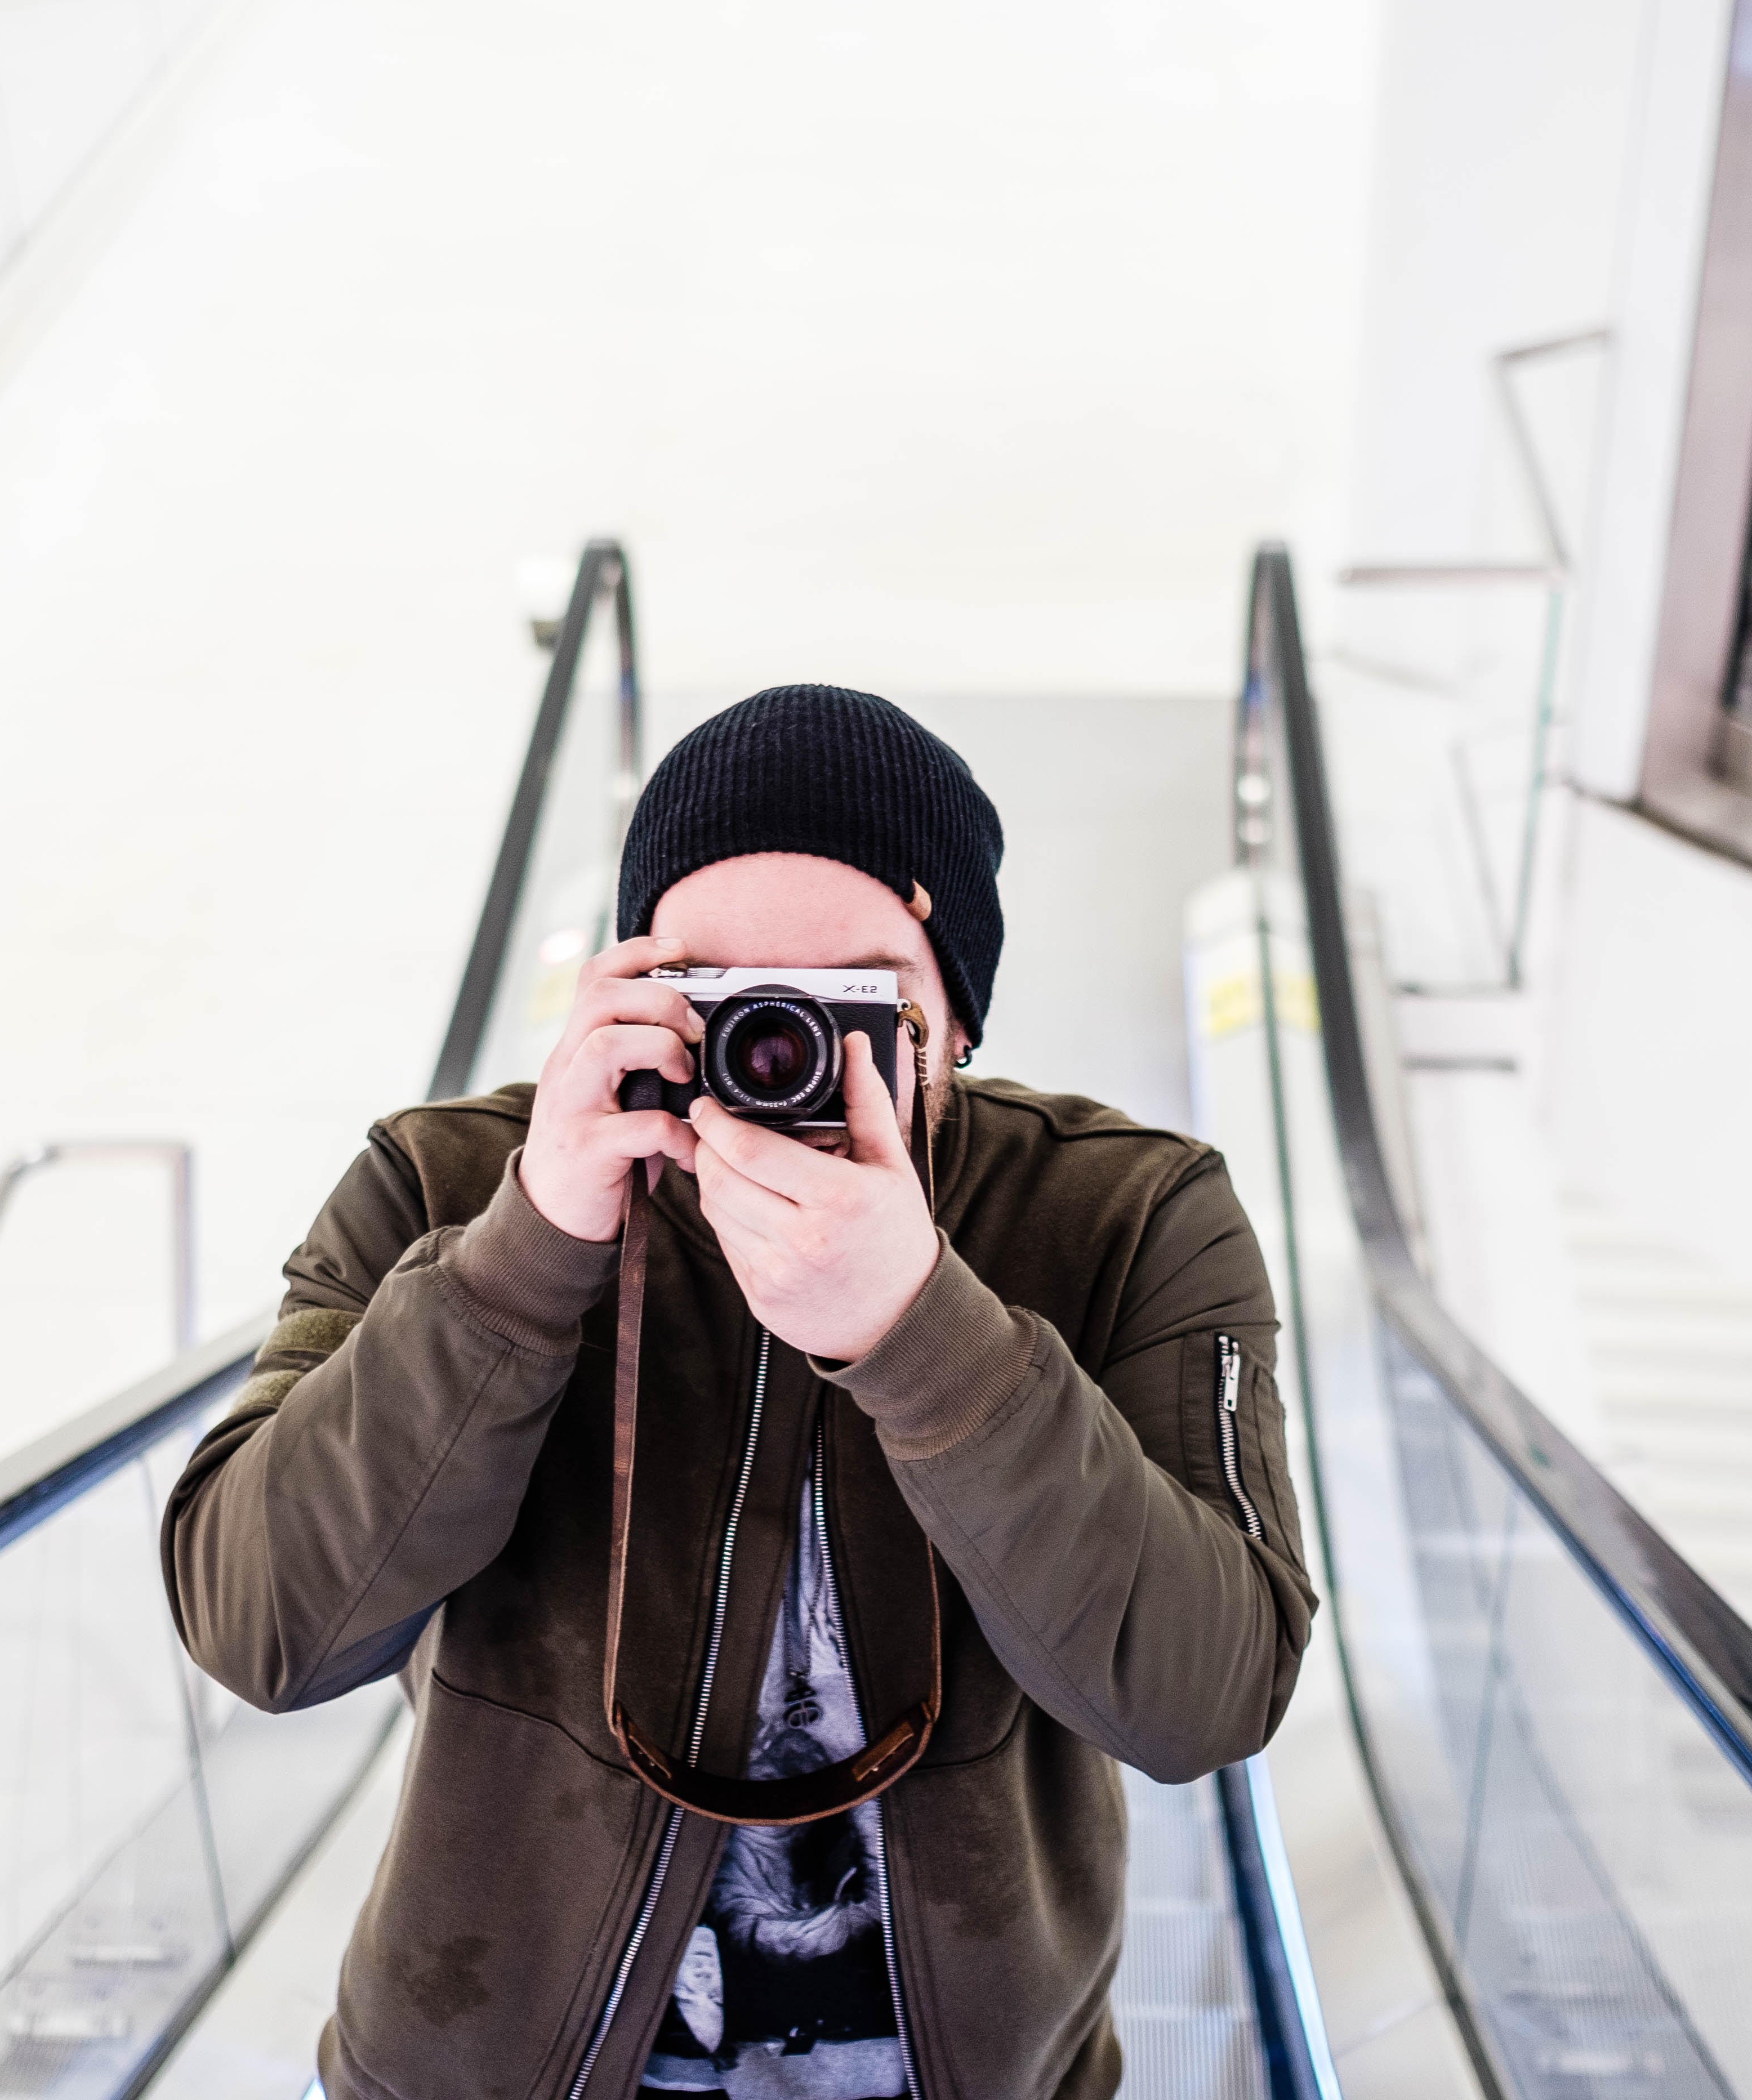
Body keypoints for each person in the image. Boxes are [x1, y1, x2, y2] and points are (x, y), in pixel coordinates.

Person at [163, 685, 1316, 2100]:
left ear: (955, 1019)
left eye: (853, 1001)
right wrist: (523, 1258)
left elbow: (1208, 1696)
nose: (775, 1046)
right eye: (713, 991)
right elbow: (257, 1629)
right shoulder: (441, 1184)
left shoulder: (1130, 1216)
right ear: (629, 988)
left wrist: (923, 1330)